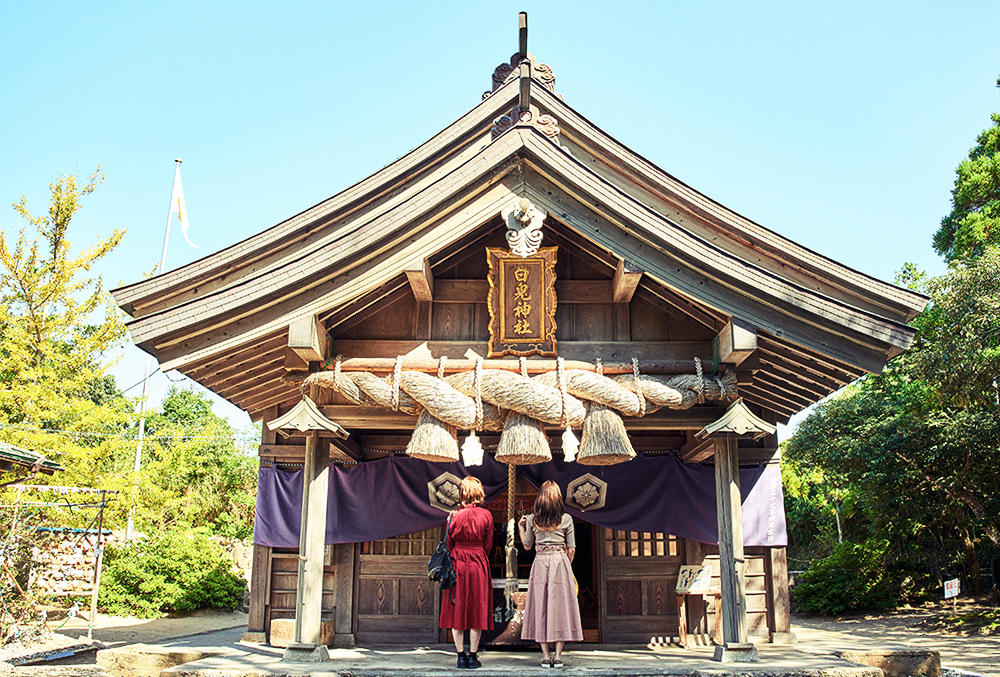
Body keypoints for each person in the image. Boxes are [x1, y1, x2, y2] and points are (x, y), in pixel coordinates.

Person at [518, 480, 583, 668]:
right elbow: (571, 549)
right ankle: (558, 656)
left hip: (540, 562)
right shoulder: (567, 519)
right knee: (560, 606)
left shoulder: (532, 519)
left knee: (541, 606)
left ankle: (545, 656)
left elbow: (527, 545)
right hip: (559, 561)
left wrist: (521, 527)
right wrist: (566, 566)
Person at [440, 476, 494, 669]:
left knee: (457, 606)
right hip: (478, 561)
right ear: (479, 493)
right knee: (477, 607)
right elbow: (488, 545)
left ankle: (460, 656)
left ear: (462, 493)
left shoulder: (453, 516)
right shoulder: (487, 516)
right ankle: (473, 656)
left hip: (457, 562)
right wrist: (477, 552)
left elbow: (448, 544)